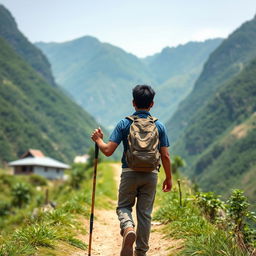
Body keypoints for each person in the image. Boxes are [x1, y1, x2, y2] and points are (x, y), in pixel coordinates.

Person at [91, 85, 172, 256]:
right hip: (151, 174)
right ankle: (141, 252)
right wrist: (169, 178)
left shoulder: (124, 123)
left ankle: (128, 228)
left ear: (133, 103)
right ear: (152, 104)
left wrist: (98, 140)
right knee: (145, 214)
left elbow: (107, 151)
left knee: (124, 207)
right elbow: (165, 156)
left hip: (129, 172)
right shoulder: (159, 126)